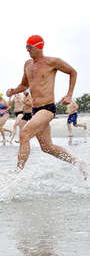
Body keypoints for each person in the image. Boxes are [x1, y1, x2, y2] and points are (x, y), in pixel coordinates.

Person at [6, 35, 87, 179]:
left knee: (24, 135)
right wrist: (14, 91)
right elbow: (24, 84)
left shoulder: (52, 62)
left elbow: (73, 72)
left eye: (30, 47)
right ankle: (78, 163)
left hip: (47, 108)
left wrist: (69, 95)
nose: (27, 50)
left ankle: (16, 175)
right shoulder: (27, 64)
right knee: (47, 147)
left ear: (39, 46)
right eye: (26, 47)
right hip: (35, 110)